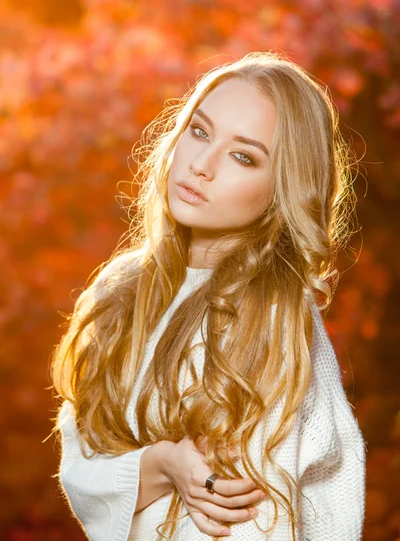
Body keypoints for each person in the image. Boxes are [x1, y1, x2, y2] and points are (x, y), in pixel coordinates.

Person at [49, 51, 366, 541]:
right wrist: (161, 464)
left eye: (243, 156)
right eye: (199, 131)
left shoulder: (274, 317)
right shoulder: (121, 289)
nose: (201, 165)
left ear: (283, 188)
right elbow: (80, 464)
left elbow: (261, 520)